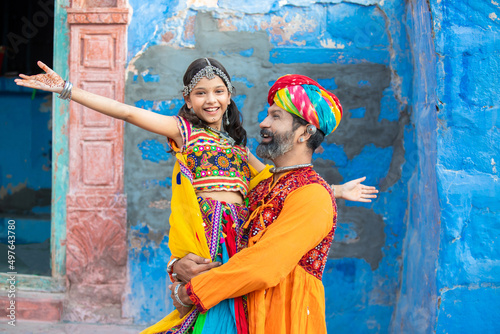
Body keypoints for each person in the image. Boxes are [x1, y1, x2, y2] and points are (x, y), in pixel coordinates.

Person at [15, 61, 377, 334]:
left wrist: (334, 190)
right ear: (187, 98)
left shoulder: (240, 148)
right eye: (200, 92)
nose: (210, 99)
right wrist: (67, 89)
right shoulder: (185, 131)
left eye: (218, 91)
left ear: (230, 95)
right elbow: (127, 112)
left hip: (246, 259)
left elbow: (284, 187)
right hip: (211, 237)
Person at [170, 74, 349, 334]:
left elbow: (264, 266)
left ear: (305, 132)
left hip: (282, 322)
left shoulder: (313, 195)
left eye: (276, 117)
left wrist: (188, 293)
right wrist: (176, 265)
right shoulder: (262, 187)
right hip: (238, 317)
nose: (263, 122)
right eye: (267, 114)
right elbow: (220, 237)